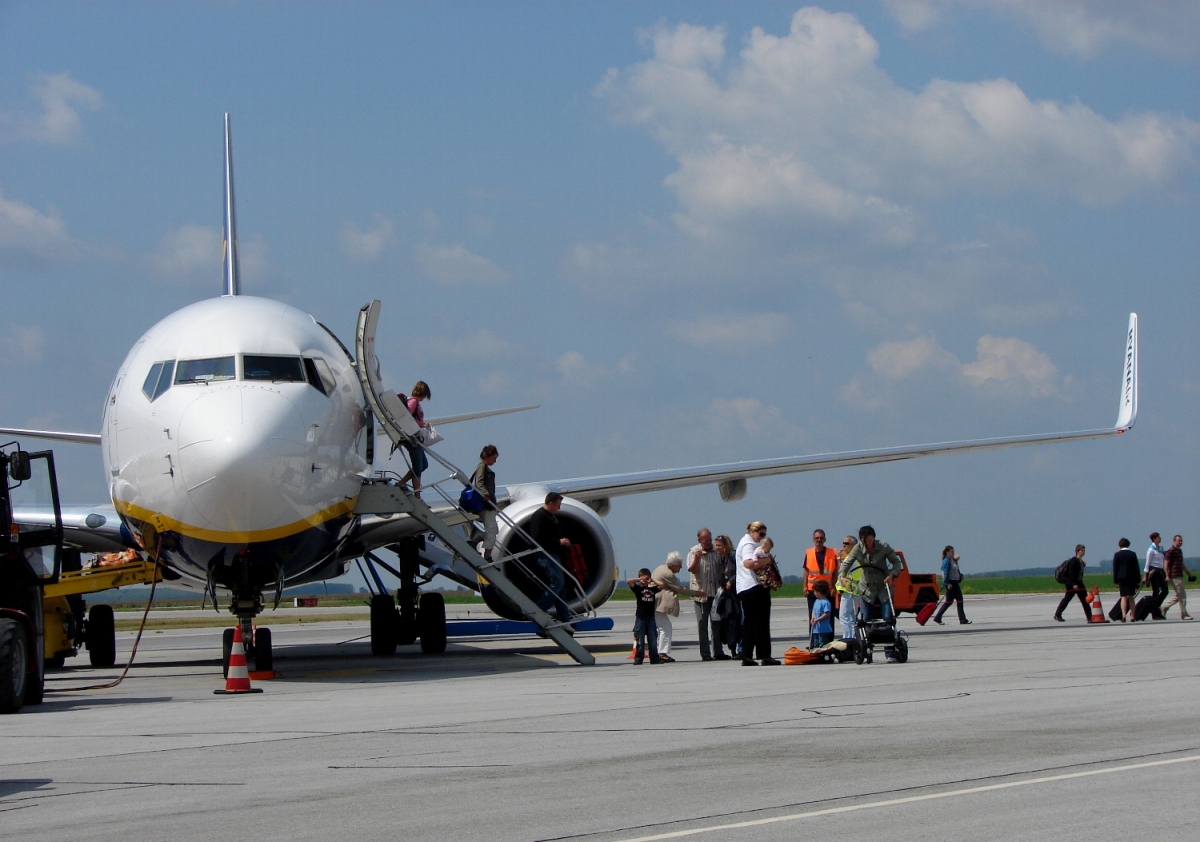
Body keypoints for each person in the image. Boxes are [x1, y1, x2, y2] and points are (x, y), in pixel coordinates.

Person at [837, 525, 903, 662]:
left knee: (887, 618)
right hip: (866, 588)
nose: (869, 543)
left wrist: (892, 575)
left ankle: (890, 653)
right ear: (862, 540)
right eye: (866, 541)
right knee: (866, 620)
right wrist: (842, 576)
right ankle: (867, 651)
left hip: (883, 586)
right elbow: (846, 563)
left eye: (871, 540)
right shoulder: (857, 549)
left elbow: (897, 562)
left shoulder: (883, 546)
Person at [736, 521, 780, 666]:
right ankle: (753, 656)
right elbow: (749, 563)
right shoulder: (748, 544)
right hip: (752, 587)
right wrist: (768, 560)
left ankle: (759, 655)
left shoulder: (749, 543)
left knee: (756, 623)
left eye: (764, 535)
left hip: (749, 587)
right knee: (755, 623)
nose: (762, 538)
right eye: (761, 534)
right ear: (753, 531)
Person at [525, 492, 572, 623]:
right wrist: (558, 542)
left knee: (562, 587)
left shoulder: (551, 516)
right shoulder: (539, 516)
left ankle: (564, 618)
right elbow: (536, 539)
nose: (559, 508)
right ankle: (538, 609)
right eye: (558, 505)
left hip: (553, 554)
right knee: (558, 583)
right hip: (545, 555)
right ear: (550, 503)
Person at [653, 552, 701, 662]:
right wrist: (696, 593)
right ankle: (662, 653)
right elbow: (679, 588)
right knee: (665, 627)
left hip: (653, 603)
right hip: (657, 604)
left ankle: (660, 651)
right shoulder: (668, 575)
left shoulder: (660, 568)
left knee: (662, 628)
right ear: (673, 565)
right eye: (679, 565)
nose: (681, 567)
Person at [686, 528, 723, 661]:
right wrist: (696, 559)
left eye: (709, 539)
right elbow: (693, 570)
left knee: (716, 623)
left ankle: (718, 651)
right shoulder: (693, 551)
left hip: (715, 593)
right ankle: (705, 653)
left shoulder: (715, 551)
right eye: (705, 540)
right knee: (702, 624)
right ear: (699, 540)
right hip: (701, 594)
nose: (708, 542)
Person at [803, 530, 840, 636]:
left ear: (825, 539)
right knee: (813, 616)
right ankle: (814, 641)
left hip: (827, 590)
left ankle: (828, 641)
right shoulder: (809, 553)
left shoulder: (832, 552)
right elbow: (806, 570)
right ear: (813, 539)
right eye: (817, 538)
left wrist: (834, 587)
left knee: (829, 616)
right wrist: (804, 587)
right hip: (813, 590)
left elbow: (835, 572)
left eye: (821, 538)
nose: (819, 540)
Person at [398, 380, 432, 493]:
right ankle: (416, 495)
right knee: (418, 467)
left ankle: (403, 483)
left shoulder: (412, 401)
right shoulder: (413, 402)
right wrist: (423, 424)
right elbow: (407, 419)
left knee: (424, 465)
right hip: (411, 438)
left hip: (413, 437)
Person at [711, 534, 741, 659]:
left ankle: (740, 648)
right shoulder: (721, 560)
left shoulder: (733, 556)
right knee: (728, 621)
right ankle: (732, 648)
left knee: (738, 621)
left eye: (719, 545)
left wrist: (731, 581)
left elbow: (741, 571)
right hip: (728, 595)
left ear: (725, 546)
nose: (716, 548)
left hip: (737, 594)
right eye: (716, 545)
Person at [626, 568, 663, 665]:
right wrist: (640, 579)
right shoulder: (638, 589)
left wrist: (652, 580)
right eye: (644, 578)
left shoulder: (652, 590)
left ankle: (654, 658)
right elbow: (629, 581)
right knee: (640, 639)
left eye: (647, 578)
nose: (645, 580)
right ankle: (638, 657)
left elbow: (662, 585)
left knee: (653, 638)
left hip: (651, 617)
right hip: (641, 617)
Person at [471, 445, 499, 562]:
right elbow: (479, 482)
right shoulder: (482, 467)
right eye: (494, 458)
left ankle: (476, 539)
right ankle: (487, 555)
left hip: (490, 503)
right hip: (487, 504)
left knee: (494, 530)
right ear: (487, 457)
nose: (495, 461)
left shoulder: (485, 467)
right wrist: (485, 494)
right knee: (492, 530)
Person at [933, 545, 971, 625]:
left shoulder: (952, 560)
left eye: (953, 551)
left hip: (955, 582)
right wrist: (947, 583)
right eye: (951, 552)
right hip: (951, 583)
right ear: (947, 552)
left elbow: (955, 568)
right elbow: (944, 572)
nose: (953, 553)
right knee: (959, 600)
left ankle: (938, 617)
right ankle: (962, 619)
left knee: (949, 602)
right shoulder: (947, 561)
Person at [1053, 544, 1090, 622]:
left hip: (1079, 582)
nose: (1083, 552)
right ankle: (1058, 614)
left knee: (1085, 600)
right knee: (1067, 599)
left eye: (1084, 550)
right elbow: (1071, 573)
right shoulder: (1074, 561)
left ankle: (1089, 617)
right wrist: (1073, 584)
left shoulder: (1081, 561)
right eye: (1081, 550)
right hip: (1072, 584)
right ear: (1077, 551)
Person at [1160, 534, 1193, 620]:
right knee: (1182, 596)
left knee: (1179, 595)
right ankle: (1184, 614)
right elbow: (1166, 564)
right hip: (1174, 576)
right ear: (1174, 541)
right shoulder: (1171, 551)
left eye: (1181, 541)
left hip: (1180, 575)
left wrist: (1188, 573)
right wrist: (1167, 575)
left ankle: (1164, 607)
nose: (1181, 542)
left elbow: (1181, 563)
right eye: (1179, 541)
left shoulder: (1179, 551)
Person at [836, 535, 860, 640]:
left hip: (849, 590)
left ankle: (848, 637)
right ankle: (852, 637)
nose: (844, 545)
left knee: (844, 616)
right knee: (852, 617)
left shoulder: (852, 558)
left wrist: (840, 560)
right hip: (852, 591)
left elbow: (844, 570)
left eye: (847, 543)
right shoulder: (851, 557)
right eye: (843, 543)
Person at [1111, 537, 1141, 622]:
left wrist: (1115, 580)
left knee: (1123, 597)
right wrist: (1138, 580)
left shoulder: (1117, 555)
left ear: (1119, 545)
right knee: (1131, 597)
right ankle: (1133, 616)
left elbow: (1115, 568)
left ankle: (1123, 614)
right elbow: (1136, 568)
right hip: (1131, 577)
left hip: (1121, 577)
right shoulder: (1132, 554)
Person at [1144, 532, 1168, 620]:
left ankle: (1155, 607)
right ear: (1154, 539)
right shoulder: (1151, 550)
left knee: (1165, 591)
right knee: (1156, 591)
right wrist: (1145, 576)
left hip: (1161, 572)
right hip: (1154, 572)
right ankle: (1155, 613)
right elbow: (1147, 564)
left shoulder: (1160, 548)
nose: (1160, 538)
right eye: (1158, 537)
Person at [809, 580, 834, 649]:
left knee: (823, 644)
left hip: (823, 629)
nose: (814, 593)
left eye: (815, 591)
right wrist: (813, 618)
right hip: (816, 629)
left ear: (819, 592)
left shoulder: (825, 602)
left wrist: (818, 619)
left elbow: (827, 614)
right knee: (816, 644)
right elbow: (813, 611)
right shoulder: (816, 601)